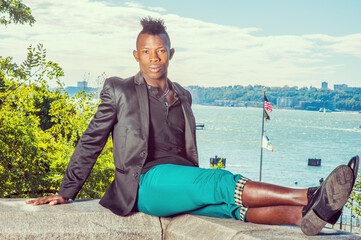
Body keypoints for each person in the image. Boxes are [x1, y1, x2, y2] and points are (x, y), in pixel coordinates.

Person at [26, 17, 359, 236]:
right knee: (219, 180)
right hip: (145, 183)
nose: (153, 57)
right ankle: (311, 194)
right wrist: (66, 191)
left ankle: (305, 216)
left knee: (230, 206)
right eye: (146, 51)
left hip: (180, 179)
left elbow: (185, 150)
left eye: (160, 51)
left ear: (170, 53)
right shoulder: (119, 89)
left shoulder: (182, 95)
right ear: (136, 55)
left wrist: (192, 183)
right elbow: (91, 141)